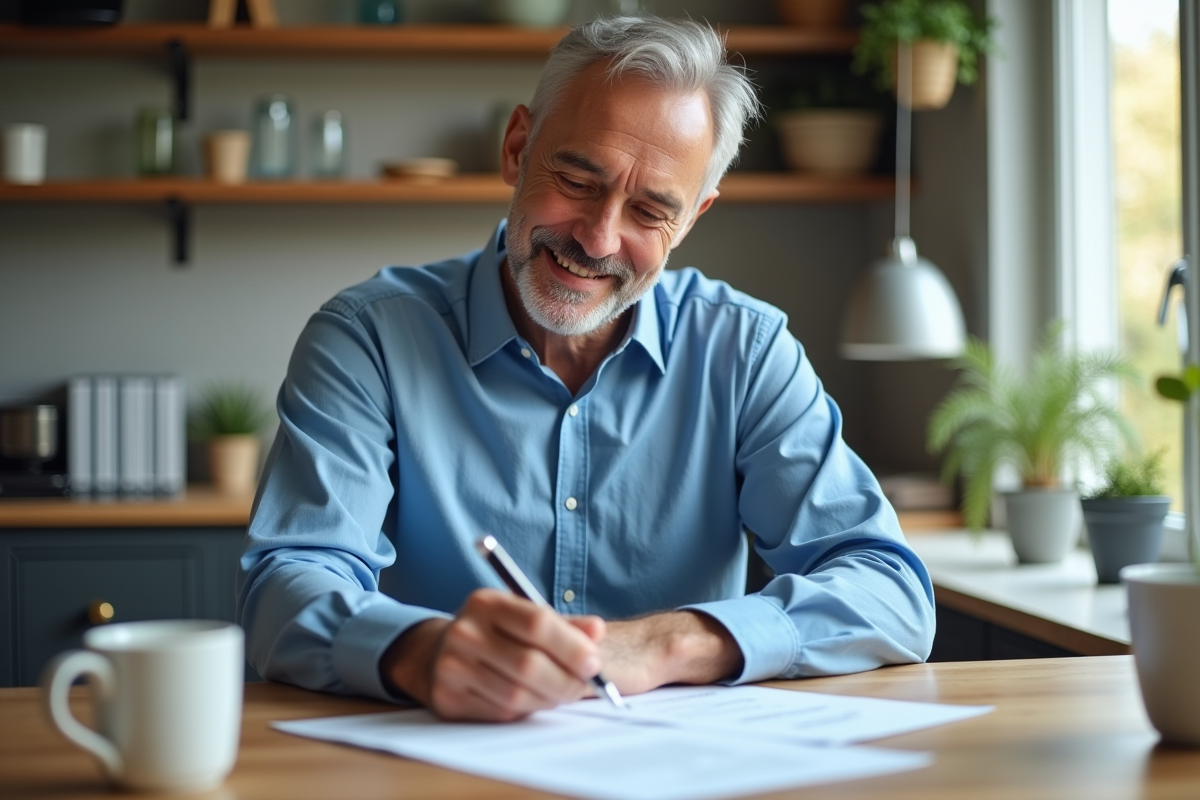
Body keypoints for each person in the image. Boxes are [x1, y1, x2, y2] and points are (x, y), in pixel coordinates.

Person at [237, 16, 935, 722]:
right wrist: (421, 651)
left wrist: (664, 644)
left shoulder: (745, 351)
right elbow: (285, 586)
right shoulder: (368, 338)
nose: (599, 237)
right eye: (576, 180)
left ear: (691, 219)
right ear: (517, 148)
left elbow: (889, 590)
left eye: (650, 210)